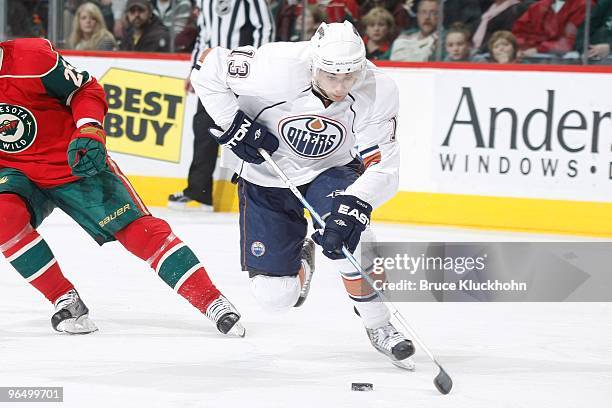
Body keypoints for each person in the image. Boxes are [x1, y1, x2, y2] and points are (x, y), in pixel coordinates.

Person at [190, 21, 415, 367]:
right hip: (266, 175)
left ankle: (380, 324)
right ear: (313, 64)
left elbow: (383, 166)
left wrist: (355, 205)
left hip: (331, 170)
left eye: (349, 76)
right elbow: (206, 66)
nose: (340, 87)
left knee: (349, 239)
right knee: (275, 297)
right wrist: (233, 122)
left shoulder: (379, 89)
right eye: (330, 76)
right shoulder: (274, 66)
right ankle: (303, 263)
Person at [0, 38, 244, 337]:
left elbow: (85, 90)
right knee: (3, 218)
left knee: (139, 233)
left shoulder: (32, 58)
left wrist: (89, 127)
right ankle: (65, 299)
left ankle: (211, 300)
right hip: (14, 170)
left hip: (74, 162)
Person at [167, 0, 274, 210]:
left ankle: (260, 194)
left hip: (244, 74)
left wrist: (258, 67)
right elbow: (203, 36)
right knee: (203, 129)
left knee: (250, 131)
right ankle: (200, 192)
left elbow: (264, 28)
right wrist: (194, 70)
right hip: (212, 74)